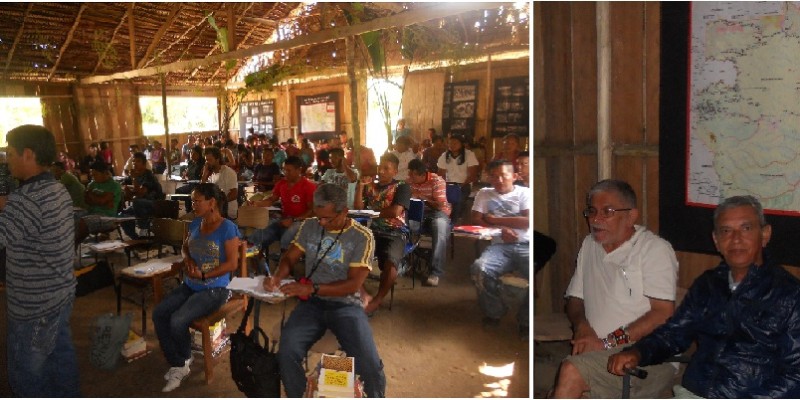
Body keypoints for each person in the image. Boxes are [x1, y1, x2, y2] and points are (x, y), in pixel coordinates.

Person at [608, 195, 800, 398]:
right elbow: (674, 334)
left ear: (765, 234)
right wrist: (637, 352)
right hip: (693, 393)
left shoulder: (789, 295)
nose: (735, 239)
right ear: (716, 241)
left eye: (746, 228)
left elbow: (796, 374)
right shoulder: (708, 285)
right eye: (726, 231)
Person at [552, 179, 678, 398]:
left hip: (645, 356)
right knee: (562, 388)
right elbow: (574, 298)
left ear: (631, 216)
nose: (596, 219)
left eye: (607, 211)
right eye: (592, 211)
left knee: (571, 372)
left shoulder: (653, 250)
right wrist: (583, 328)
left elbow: (662, 314)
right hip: (597, 352)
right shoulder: (590, 244)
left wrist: (608, 342)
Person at [264, 184, 386, 398]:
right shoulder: (310, 226)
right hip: (312, 304)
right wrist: (277, 276)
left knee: (370, 365)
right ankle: (301, 394)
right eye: (318, 217)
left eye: (328, 219)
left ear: (344, 211)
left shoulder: (362, 236)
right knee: (287, 352)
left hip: (346, 304)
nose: (321, 223)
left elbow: (353, 285)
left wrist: (312, 287)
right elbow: (290, 257)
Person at [1, 125, 80, 396]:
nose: (6, 160)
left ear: (28, 155)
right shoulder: (56, 189)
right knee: (60, 360)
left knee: (26, 374)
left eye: (10, 154)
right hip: (60, 294)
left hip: (35, 306)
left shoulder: (27, 201)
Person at [153, 183, 240, 392]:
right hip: (191, 285)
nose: (193, 204)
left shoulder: (227, 228)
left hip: (215, 289)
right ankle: (181, 360)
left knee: (178, 319)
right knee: (159, 314)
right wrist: (188, 259)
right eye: (192, 200)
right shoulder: (195, 223)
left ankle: (181, 362)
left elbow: (232, 264)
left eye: (197, 201)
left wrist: (204, 274)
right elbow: (184, 247)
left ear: (212, 203)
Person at [470, 160, 531, 336]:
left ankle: (526, 321)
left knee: (537, 273)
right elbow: (476, 219)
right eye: (494, 176)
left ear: (514, 176)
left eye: (503, 175)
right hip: (499, 246)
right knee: (479, 269)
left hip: (526, 245)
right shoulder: (484, 193)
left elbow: (527, 221)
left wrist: (494, 220)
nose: (499, 180)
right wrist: (501, 230)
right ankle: (494, 311)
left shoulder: (524, 193)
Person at [354, 153, 411, 314]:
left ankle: (377, 300)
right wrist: (360, 187)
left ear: (395, 171)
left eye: (387, 168)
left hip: (395, 232)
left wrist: (371, 212)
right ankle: (364, 295)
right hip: (372, 231)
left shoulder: (402, 187)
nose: (382, 171)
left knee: (390, 263)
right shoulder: (371, 186)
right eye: (380, 167)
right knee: (350, 253)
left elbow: (395, 212)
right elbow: (359, 208)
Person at [247, 156, 316, 255]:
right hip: (284, 219)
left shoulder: (308, 186)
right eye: (284, 170)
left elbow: (312, 211)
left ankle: (285, 260)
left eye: (289, 170)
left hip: (301, 221)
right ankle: (257, 260)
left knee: (287, 235)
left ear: (299, 170)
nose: (285, 173)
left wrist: (294, 220)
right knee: (258, 235)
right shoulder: (282, 183)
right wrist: (257, 203)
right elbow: (271, 199)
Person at [407, 159, 450, 287]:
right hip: (416, 213)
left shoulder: (437, 181)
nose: (409, 177)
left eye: (412, 175)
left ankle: (435, 272)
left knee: (439, 227)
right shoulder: (409, 181)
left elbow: (439, 206)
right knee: (402, 225)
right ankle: (407, 263)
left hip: (436, 213)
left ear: (421, 174)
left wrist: (421, 197)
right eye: (409, 174)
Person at [76, 160, 123, 247]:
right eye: (92, 174)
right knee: (72, 216)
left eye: (95, 174)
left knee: (82, 222)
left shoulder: (114, 185)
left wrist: (91, 195)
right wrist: (97, 199)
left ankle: (73, 245)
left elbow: (102, 201)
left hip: (107, 216)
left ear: (105, 173)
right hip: (91, 212)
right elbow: (87, 200)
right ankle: (70, 244)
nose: (93, 177)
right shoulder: (92, 184)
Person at [119, 152, 164, 240]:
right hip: (140, 206)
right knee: (122, 215)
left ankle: (144, 230)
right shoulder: (133, 175)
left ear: (144, 164)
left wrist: (134, 180)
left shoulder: (149, 175)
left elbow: (141, 193)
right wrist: (126, 190)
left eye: (138, 161)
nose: (135, 163)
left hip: (156, 204)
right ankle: (136, 238)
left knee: (137, 201)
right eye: (133, 161)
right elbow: (124, 188)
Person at [437, 134, 479, 223]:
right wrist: (444, 186)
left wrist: (460, 186)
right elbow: (441, 174)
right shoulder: (444, 155)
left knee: (458, 202)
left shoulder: (469, 155)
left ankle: (453, 223)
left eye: (455, 143)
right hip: (448, 185)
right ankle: (444, 222)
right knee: (440, 202)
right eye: (450, 143)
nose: (452, 145)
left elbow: (472, 175)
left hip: (463, 185)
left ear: (461, 144)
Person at [201, 146, 238, 219]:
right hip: (214, 211)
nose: (207, 163)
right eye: (206, 160)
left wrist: (218, 204)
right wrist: (204, 175)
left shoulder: (228, 172)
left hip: (227, 213)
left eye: (210, 160)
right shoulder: (212, 175)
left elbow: (234, 194)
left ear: (217, 159)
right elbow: (201, 191)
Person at [175, 145, 205, 213]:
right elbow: (187, 174)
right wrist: (185, 176)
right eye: (191, 153)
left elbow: (201, 177)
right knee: (178, 190)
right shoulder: (190, 162)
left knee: (192, 192)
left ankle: (191, 209)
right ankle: (180, 209)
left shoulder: (202, 164)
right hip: (190, 183)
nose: (192, 154)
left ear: (199, 154)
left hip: (198, 184)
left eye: (194, 153)